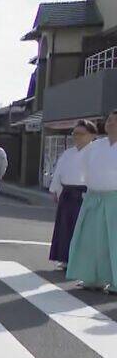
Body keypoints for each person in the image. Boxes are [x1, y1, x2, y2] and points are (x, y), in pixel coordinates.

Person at [67, 110, 117, 292]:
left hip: (114, 198)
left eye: (115, 121)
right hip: (94, 196)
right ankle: (91, 277)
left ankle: (115, 281)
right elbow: (85, 168)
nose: (111, 123)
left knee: (113, 242)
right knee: (91, 240)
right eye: (109, 120)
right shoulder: (96, 146)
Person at [49, 120, 97, 269]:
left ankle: (81, 261)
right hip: (67, 192)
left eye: (81, 134)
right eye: (74, 133)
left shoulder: (95, 152)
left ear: (92, 135)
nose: (77, 136)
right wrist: (55, 189)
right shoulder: (68, 153)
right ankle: (65, 258)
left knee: (81, 228)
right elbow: (59, 172)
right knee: (64, 227)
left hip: (84, 193)